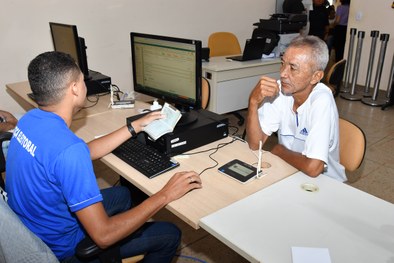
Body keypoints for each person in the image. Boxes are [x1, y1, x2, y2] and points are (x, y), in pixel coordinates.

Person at [6, 51, 203, 262]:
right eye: (82, 79)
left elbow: (83, 152)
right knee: (170, 234)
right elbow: (103, 236)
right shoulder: (69, 152)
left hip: (36, 223)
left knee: (124, 195)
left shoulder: (30, 119)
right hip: (63, 246)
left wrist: (133, 127)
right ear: (74, 88)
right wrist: (166, 194)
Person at [246, 35, 346, 182]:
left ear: (315, 76)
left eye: (293, 68)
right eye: (283, 63)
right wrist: (253, 102)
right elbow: (255, 144)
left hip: (325, 183)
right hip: (290, 171)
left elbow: (313, 168)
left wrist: (280, 151)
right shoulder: (281, 90)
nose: (283, 73)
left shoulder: (322, 100)